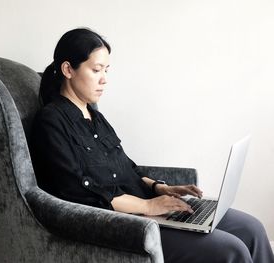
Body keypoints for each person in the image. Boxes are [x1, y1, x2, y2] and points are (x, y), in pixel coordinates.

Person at [30, 28, 274, 263]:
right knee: (232, 250)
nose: (104, 79)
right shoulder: (51, 121)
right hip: (128, 225)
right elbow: (78, 191)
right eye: (96, 70)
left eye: (106, 69)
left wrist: (160, 188)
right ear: (68, 69)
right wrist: (147, 206)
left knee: (251, 229)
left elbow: (127, 167)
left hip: (151, 208)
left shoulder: (96, 117)